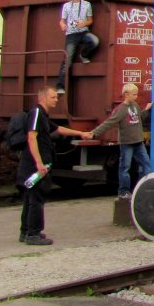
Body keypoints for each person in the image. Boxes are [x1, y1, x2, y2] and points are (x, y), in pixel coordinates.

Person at [17, 86, 91, 245]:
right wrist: (38, 162)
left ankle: (25, 232)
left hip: (38, 163)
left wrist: (80, 133)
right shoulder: (36, 113)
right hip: (35, 165)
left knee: (30, 198)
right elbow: (31, 137)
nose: (56, 100)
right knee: (36, 198)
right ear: (43, 98)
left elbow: (58, 129)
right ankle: (33, 234)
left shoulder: (43, 115)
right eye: (53, 97)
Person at [89, 83, 152, 199]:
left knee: (146, 164)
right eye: (134, 95)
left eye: (136, 94)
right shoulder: (120, 110)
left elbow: (139, 118)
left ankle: (142, 188)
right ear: (126, 95)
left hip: (138, 141)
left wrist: (146, 110)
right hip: (127, 143)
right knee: (125, 167)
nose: (136, 97)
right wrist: (94, 133)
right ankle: (123, 191)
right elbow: (109, 123)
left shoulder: (135, 106)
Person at [55, 0, 100, 93]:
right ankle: (60, 86)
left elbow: (90, 20)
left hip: (83, 32)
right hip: (71, 34)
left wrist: (83, 23)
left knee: (95, 41)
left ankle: (84, 55)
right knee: (67, 59)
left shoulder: (86, 5)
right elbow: (62, 20)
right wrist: (62, 24)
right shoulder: (66, 6)